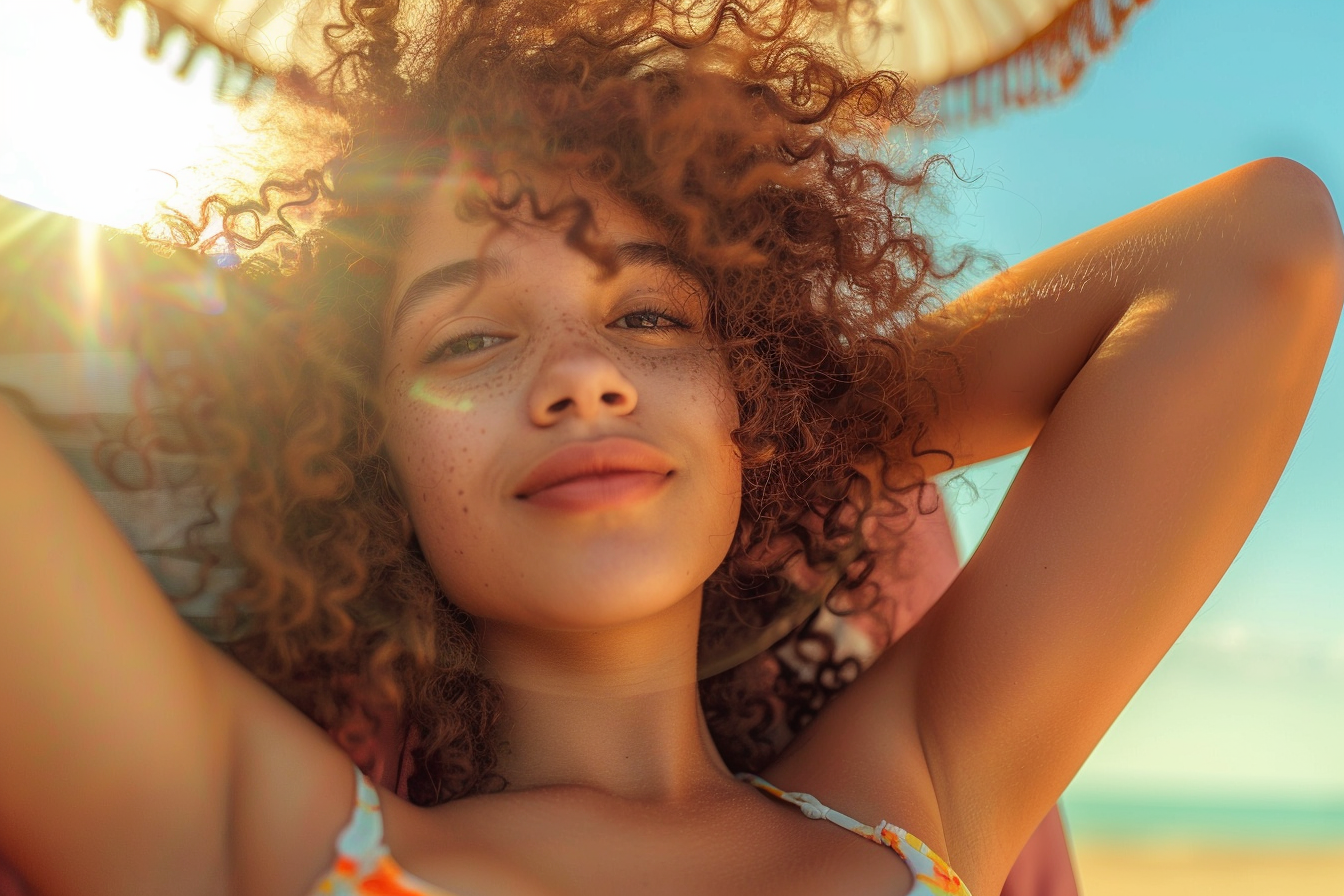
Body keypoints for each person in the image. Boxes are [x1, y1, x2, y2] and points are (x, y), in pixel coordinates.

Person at [1, 2, 1341, 895]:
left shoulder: (925, 788)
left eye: (649, 319)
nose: (582, 378)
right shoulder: (253, 836)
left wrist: (783, 423)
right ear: (364, 454)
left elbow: (1263, 249)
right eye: (471, 342)